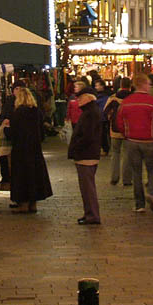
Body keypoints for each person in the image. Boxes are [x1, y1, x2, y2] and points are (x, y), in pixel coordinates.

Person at [116, 73, 153, 213]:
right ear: (144, 85)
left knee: (136, 173)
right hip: (150, 141)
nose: (150, 87)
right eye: (148, 84)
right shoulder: (152, 102)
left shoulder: (126, 102)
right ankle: (152, 194)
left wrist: (126, 134)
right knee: (152, 170)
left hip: (132, 141)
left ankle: (139, 204)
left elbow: (119, 121)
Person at [6, 86, 53, 213]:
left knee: (22, 176)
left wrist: (6, 128)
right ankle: (33, 204)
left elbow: (12, 133)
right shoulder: (37, 112)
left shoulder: (18, 113)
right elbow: (42, 132)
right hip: (35, 149)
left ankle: (23, 204)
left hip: (21, 149)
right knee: (34, 175)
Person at [68, 88, 103, 225]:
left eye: (81, 98)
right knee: (86, 187)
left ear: (89, 98)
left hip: (86, 154)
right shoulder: (90, 112)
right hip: (87, 154)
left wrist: (76, 147)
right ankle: (89, 213)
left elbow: (87, 136)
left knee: (87, 187)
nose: (78, 101)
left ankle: (92, 215)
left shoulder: (90, 113)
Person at [104, 78, 132, 186]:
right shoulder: (132, 97)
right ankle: (127, 179)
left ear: (120, 85)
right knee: (127, 154)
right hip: (129, 131)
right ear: (130, 85)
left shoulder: (113, 98)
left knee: (115, 153)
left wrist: (111, 117)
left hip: (115, 130)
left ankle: (114, 177)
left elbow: (105, 112)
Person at [0, 80, 21, 191]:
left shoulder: (22, 104)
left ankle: (10, 179)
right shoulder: (10, 102)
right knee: (5, 158)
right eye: (16, 89)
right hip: (8, 135)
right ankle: (7, 179)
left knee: (10, 158)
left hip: (14, 136)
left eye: (20, 89)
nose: (18, 91)